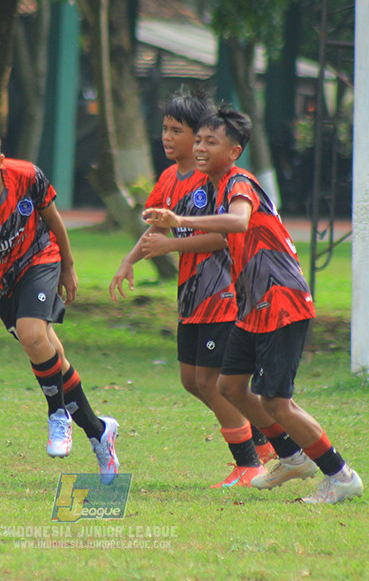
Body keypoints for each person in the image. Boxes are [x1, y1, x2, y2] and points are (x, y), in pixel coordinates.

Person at [143, 106, 364, 504]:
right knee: (229, 386)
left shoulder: (238, 182)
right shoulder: (215, 185)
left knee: (276, 402)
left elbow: (240, 221)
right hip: (252, 307)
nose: (200, 147)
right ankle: (292, 457)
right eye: (199, 140)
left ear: (235, 151)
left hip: (282, 301)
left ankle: (340, 474)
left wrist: (181, 222)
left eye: (212, 141)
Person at [110, 88, 275, 489]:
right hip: (192, 296)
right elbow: (159, 226)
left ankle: (250, 462)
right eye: (164, 129)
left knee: (211, 382)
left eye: (178, 131)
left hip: (221, 293)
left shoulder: (216, 180)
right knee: (191, 380)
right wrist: (131, 259)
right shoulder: (169, 177)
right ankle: (264, 436)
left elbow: (224, 237)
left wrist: (170, 245)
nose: (168, 138)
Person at [0, 125, 119, 484]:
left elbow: (53, 219)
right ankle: (99, 432)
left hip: (39, 259)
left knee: (32, 334)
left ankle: (57, 414)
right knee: (50, 355)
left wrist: (68, 266)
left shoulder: (27, 176)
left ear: (0, 163)